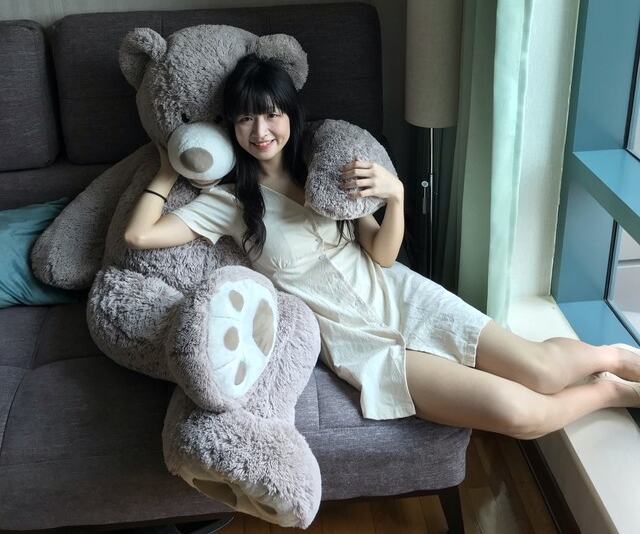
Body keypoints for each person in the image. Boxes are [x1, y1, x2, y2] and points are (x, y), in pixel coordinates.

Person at [125, 53, 640, 439]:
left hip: (403, 296)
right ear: (231, 126)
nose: (261, 131)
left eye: (271, 114)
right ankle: (608, 391)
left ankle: (612, 356)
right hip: (359, 341)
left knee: (543, 371)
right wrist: (168, 169)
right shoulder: (230, 201)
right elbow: (139, 235)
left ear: (291, 115)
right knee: (520, 414)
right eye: (245, 119)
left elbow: (383, 254)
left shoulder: (324, 167)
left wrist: (395, 196)